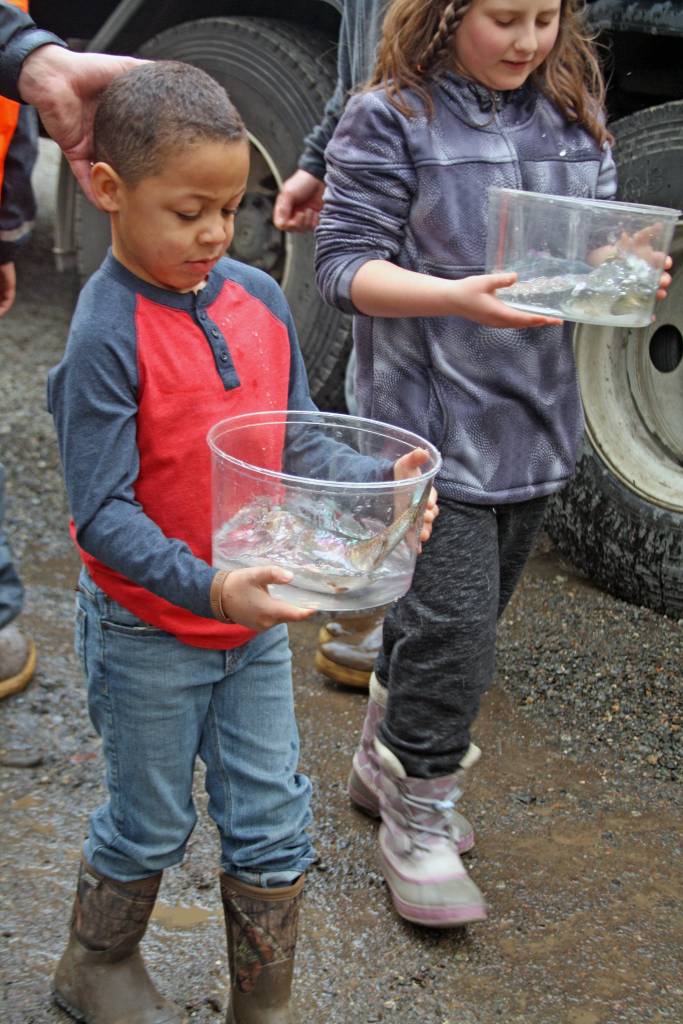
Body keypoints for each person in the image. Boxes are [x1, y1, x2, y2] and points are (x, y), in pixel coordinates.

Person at [47, 60, 437, 1024]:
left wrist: (375, 491)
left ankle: (261, 1003)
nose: (217, 234)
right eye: (188, 213)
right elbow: (100, 515)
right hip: (149, 631)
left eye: (233, 206)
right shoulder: (104, 336)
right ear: (109, 191)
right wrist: (209, 589)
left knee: (271, 815)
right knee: (149, 820)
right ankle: (93, 963)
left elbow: (297, 438)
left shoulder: (257, 299)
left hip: (254, 628)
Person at [315, 0, 672, 929]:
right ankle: (419, 818)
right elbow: (342, 267)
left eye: (544, 18)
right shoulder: (389, 117)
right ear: (441, 14)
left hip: (534, 424)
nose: (526, 41)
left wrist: (621, 262)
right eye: (503, 18)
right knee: (461, 637)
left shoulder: (569, 113)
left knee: (448, 622)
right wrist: (453, 298)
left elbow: (578, 254)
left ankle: (378, 759)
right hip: (427, 431)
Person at [275, 0, 391, 689]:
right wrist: (318, 158)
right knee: (376, 406)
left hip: (450, 219)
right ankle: (366, 604)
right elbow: (361, 74)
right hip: (383, 229)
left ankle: (392, 604)